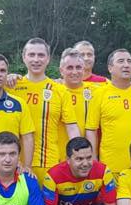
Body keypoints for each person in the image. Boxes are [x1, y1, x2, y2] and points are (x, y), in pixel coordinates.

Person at [10, 38, 80, 180]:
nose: (36, 60)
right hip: (14, 163)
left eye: (41, 55)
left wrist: (80, 154)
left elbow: (72, 127)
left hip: (49, 163)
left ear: (48, 59)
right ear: (24, 57)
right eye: (31, 55)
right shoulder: (11, 86)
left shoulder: (59, 90)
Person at [85, 49, 131, 176]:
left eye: (129, 61)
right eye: (121, 61)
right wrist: (93, 160)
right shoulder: (99, 94)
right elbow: (91, 130)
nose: (126, 65)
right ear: (110, 68)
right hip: (111, 167)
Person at [59, 49, 97, 137]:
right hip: (57, 146)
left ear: (84, 70)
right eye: (70, 68)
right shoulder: (53, 90)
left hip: (85, 145)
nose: (75, 72)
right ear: (61, 71)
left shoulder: (96, 91)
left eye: (78, 67)